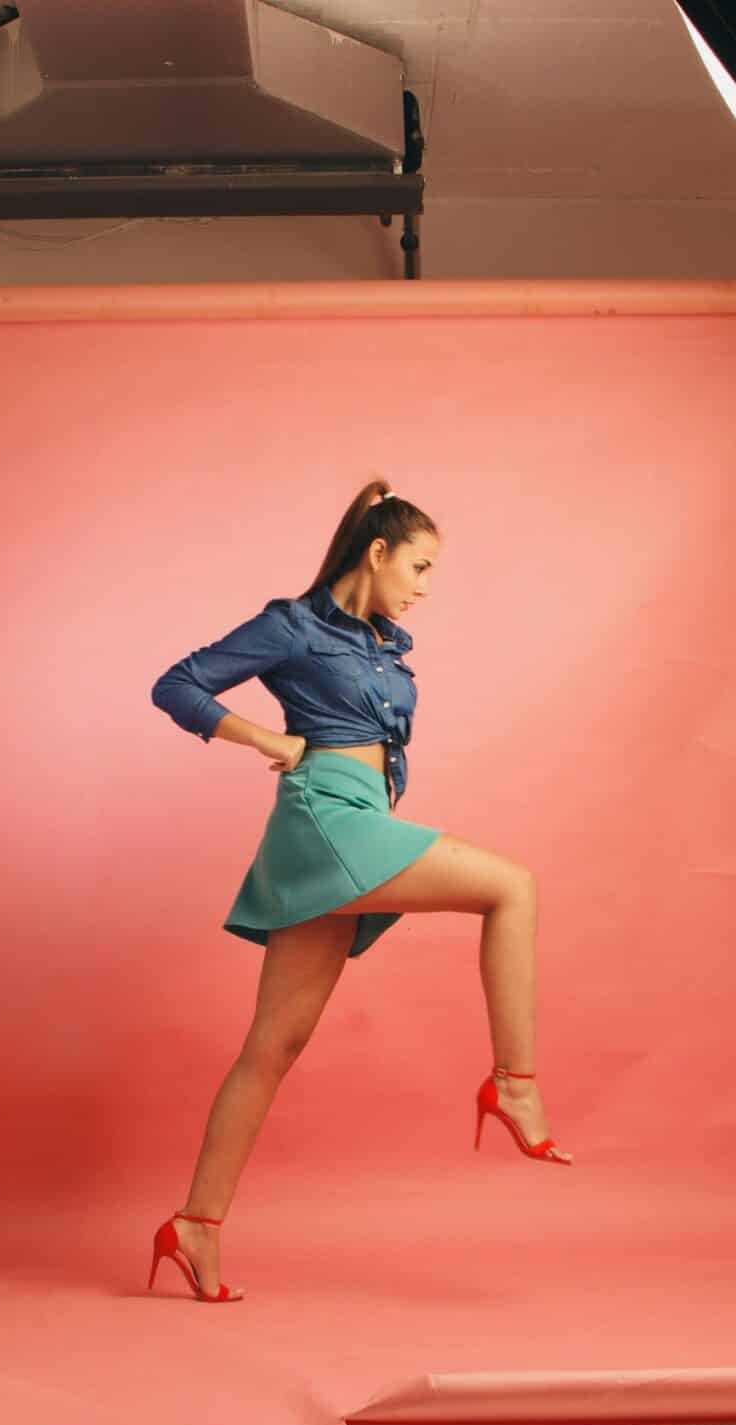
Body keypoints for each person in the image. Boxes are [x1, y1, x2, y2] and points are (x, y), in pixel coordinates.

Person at [145, 480, 570, 1302]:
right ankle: (514, 1082)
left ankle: (195, 1224)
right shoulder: (292, 625)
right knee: (511, 886)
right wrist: (267, 736)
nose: (424, 585)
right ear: (375, 553)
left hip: (356, 821)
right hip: (326, 820)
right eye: (418, 565)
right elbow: (179, 684)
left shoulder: (384, 644)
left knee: (273, 1047)